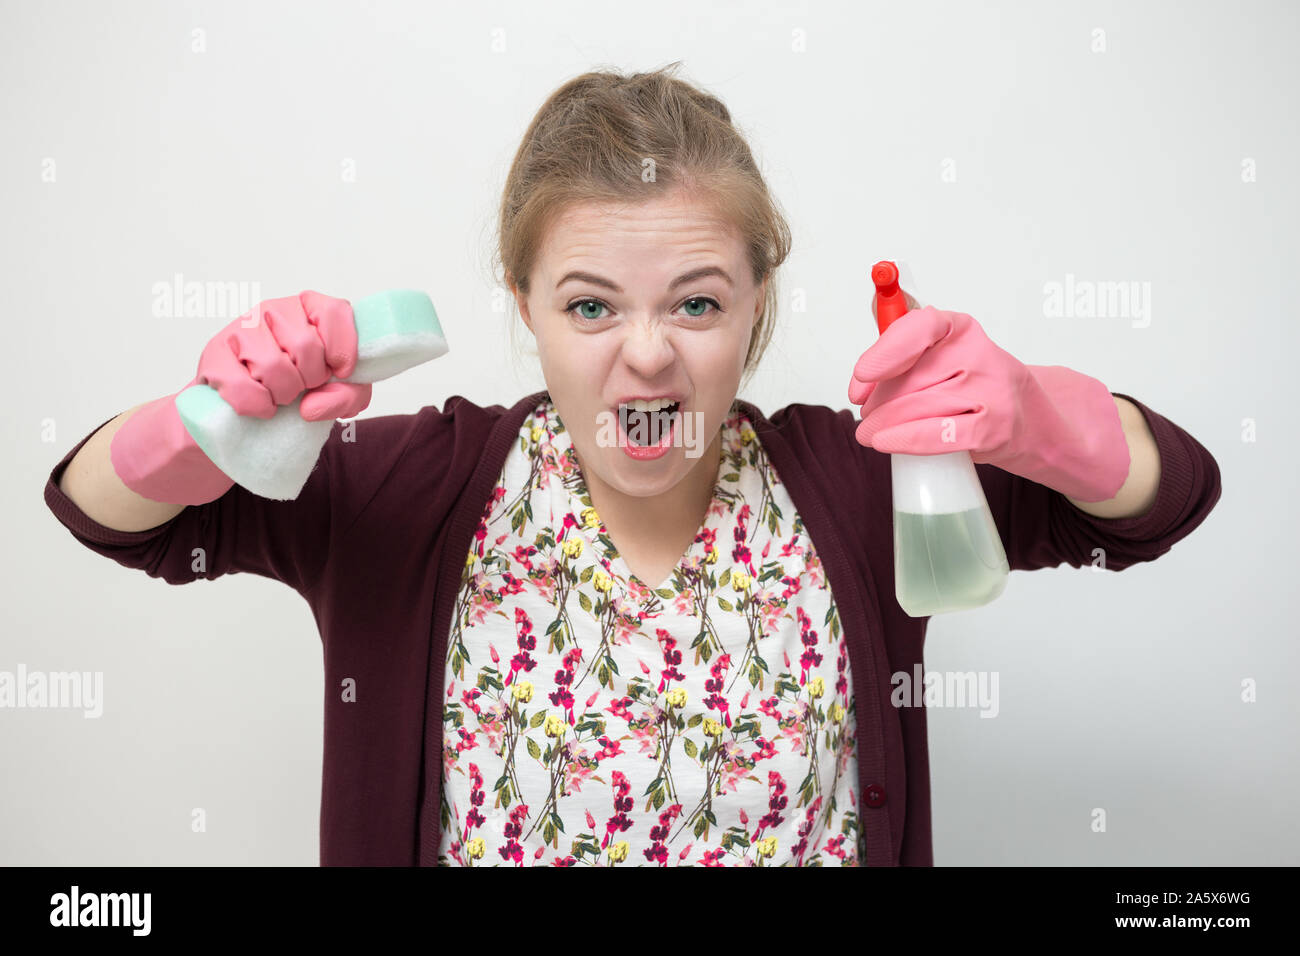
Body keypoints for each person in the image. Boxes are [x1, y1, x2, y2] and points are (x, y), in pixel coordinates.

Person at [43, 62, 1222, 867]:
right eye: (591, 305)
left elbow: (1156, 503)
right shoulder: (415, 489)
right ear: (525, 307)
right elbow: (116, 517)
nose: (647, 356)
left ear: (757, 304)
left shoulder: (866, 481)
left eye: (697, 301)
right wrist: (205, 418)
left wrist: (1038, 417)